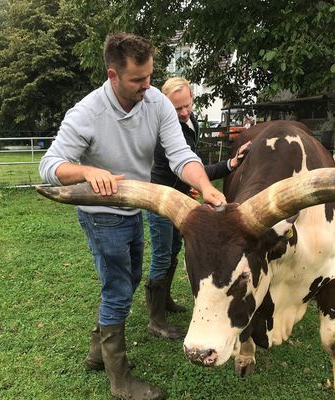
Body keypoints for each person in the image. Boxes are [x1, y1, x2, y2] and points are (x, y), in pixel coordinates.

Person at [39, 33, 226, 400]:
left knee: (130, 278)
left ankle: (97, 354)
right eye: (137, 80)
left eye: (149, 77)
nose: (147, 86)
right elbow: (50, 165)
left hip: (135, 205)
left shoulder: (156, 102)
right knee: (119, 289)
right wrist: (86, 171)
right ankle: (120, 379)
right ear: (113, 75)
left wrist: (205, 186)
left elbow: (180, 154)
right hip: (100, 213)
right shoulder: (87, 113)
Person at [145, 77, 251, 339]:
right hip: (162, 200)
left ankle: (165, 300)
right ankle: (155, 320)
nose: (183, 112)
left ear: (192, 98)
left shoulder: (192, 123)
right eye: (176, 108)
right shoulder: (166, 130)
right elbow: (186, 169)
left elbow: (194, 165)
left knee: (173, 251)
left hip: (182, 199)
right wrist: (227, 166)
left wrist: (229, 165)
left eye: (187, 105)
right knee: (161, 255)